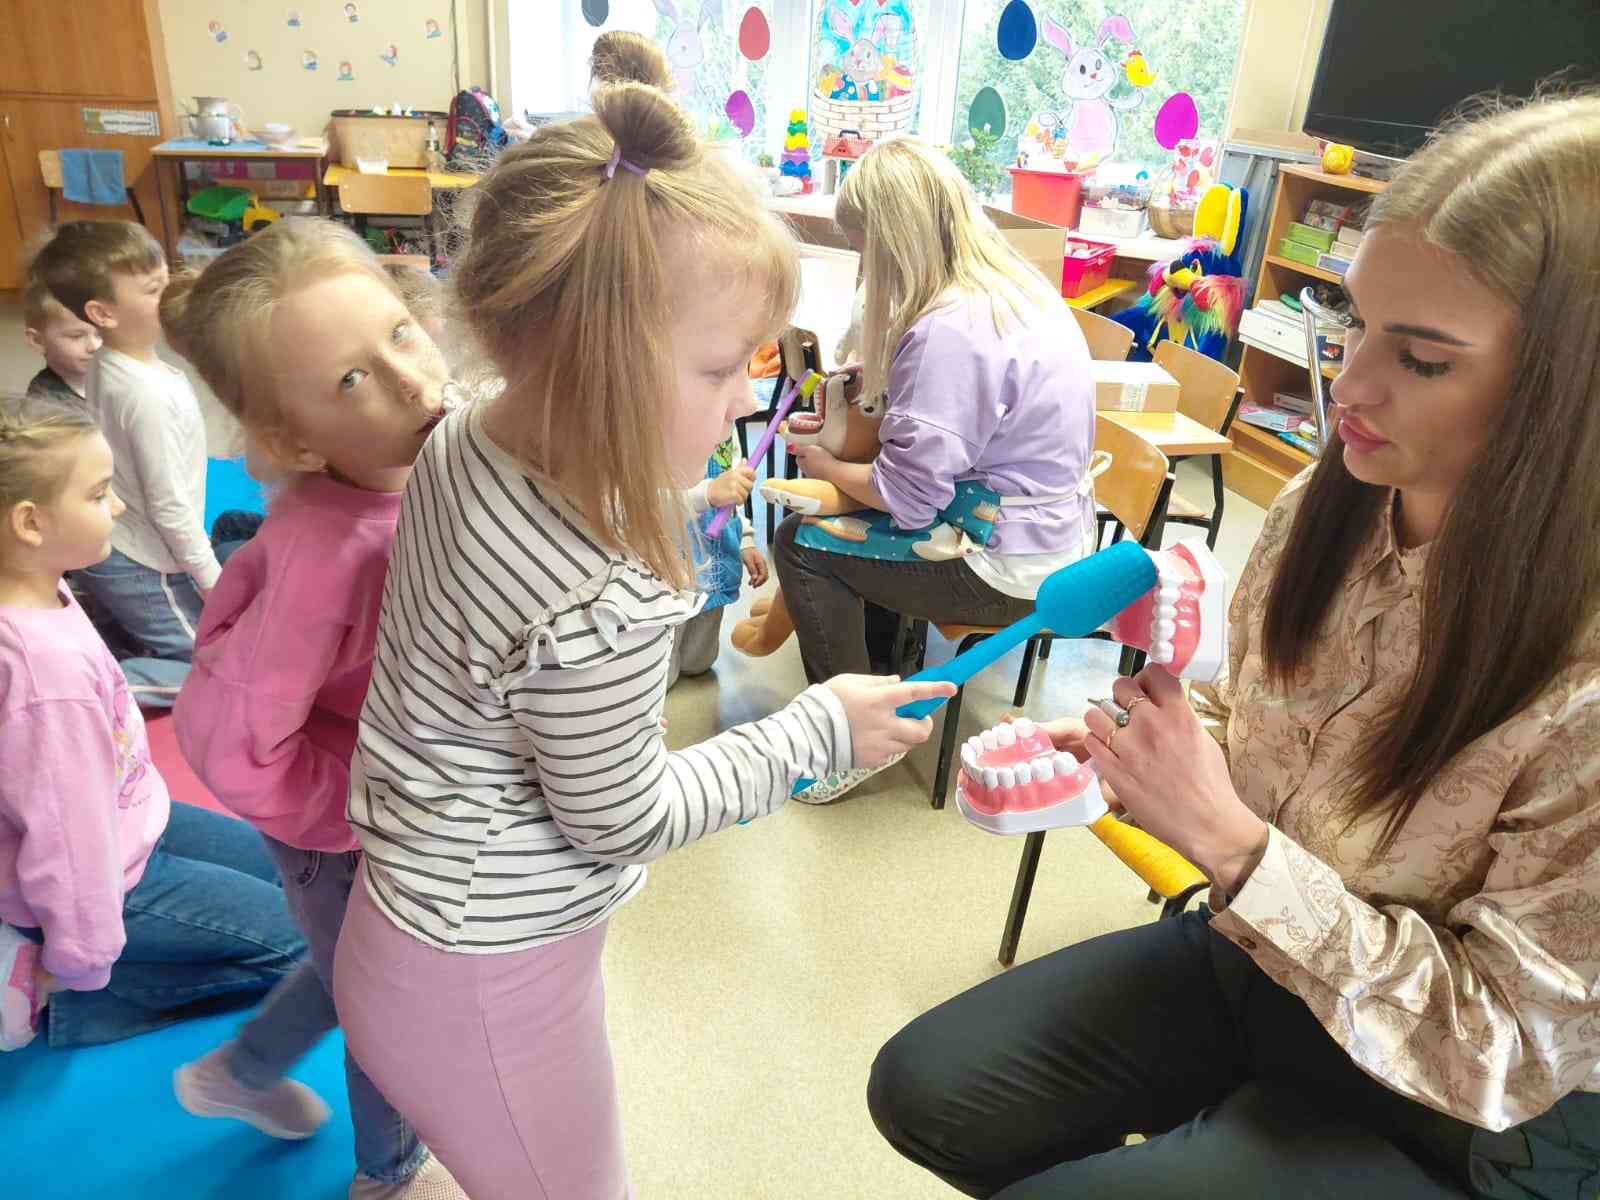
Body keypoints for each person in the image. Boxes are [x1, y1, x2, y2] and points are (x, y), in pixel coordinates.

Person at [867, 93, 1600, 1198]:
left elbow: (1502, 1047)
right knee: (924, 1087)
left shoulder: (1580, 671)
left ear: (1566, 389)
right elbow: (1256, 714)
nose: (1349, 384)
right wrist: (1133, 757)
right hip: (1264, 956)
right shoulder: (1327, 507)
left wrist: (1234, 847)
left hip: (1446, 1111)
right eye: (1353, 323)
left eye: (1422, 360)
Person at [331, 82, 952, 1200]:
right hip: (483, 977)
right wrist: (813, 731)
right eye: (722, 370)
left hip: (413, 921)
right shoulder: (602, 601)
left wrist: (682, 507)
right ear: (596, 367)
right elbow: (621, 818)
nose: (746, 401)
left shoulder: (467, 437)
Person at [162, 221, 466, 1199]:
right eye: (351, 379)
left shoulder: (425, 455)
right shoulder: (321, 564)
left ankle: (240, 1070)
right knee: (382, 1005)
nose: (413, 383)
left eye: (400, 334)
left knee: (353, 978)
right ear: (294, 440)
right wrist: (359, 811)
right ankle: (389, 1170)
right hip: (337, 830)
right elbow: (232, 746)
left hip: (399, 792)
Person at [771, 137, 1099, 802]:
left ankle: (853, 739)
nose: (865, 266)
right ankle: (884, 683)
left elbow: (908, 501)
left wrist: (825, 461)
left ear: (892, 242)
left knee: (801, 543)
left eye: (863, 248)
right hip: (1057, 539)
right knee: (856, 531)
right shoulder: (1014, 290)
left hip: (1003, 564)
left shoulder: (948, 330)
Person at [0, 398, 307, 1053]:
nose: (117, 507)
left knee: (305, 881)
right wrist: (79, 961)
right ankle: (60, 996)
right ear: (30, 522)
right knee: (307, 946)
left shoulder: (43, 589)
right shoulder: (45, 677)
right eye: (99, 494)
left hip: (132, 820)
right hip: (100, 876)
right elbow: (68, 841)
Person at [30, 220, 217, 708]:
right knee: (218, 670)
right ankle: (93, 686)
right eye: (154, 289)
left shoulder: (118, 364)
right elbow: (168, 507)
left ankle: (111, 627)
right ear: (103, 313)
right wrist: (210, 579)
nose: (170, 294)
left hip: (134, 552)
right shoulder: (143, 394)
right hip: (144, 565)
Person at [671, 426, 767, 688]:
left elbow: (734, 497)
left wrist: (745, 539)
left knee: (698, 663)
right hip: (670, 577)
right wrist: (706, 494)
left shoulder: (726, 430)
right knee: (664, 675)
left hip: (715, 563)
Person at [21, 277, 101, 409]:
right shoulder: (44, 403)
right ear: (38, 341)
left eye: (101, 334)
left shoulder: (116, 374)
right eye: (76, 336)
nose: (95, 346)